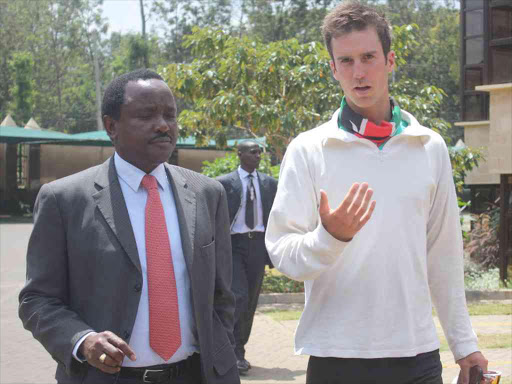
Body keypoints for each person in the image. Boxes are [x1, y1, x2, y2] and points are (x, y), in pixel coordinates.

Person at [265, 3, 488, 384]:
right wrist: (329, 238)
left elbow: (444, 253)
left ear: (390, 60)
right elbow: (283, 253)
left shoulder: (428, 146)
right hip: (336, 354)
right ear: (333, 69)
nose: (359, 71)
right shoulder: (309, 149)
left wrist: (464, 344)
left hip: (417, 355)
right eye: (346, 60)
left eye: (368, 57)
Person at [18, 69, 240, 384]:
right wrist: (82, 340)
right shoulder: (64, 200)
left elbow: (222, 296)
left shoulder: (207, 193)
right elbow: (37, 299)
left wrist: (222, 357)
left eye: (170, 115)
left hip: (196, 374)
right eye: (146, 115)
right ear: (112, 126)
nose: (163, 125)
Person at [216, 141, 278, 374]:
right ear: (239, 154)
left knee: (250, 300)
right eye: (253, 152)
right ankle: (229, 351)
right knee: (238, 296)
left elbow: (277, 215)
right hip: (233, 245)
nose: (258, 155)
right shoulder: (223, 183)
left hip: (257, 246)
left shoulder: (270, 184)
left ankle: (239, 351)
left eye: (260, 152)